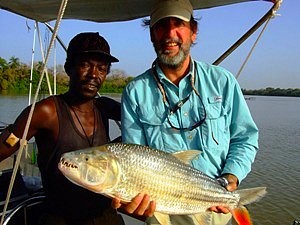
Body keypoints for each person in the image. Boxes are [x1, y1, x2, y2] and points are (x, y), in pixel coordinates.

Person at [116, 0, 259, 224]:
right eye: (161, 26)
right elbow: (134, 159)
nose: (170, 34)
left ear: (193, 32)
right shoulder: (135, 92)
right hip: (162, 212)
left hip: (214, 212)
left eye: (178, 24)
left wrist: (231, 178)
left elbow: (245, 138)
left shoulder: (222, 81)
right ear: (152, 35)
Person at [0, 32, 124, 225]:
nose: (93, 74)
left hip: (105, 216)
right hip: (60, 217)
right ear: (68, 68)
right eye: (85, 65)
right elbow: (7, 144)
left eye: (101, 68)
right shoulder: (46, 111)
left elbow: (147, 129)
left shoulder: (106, 107)